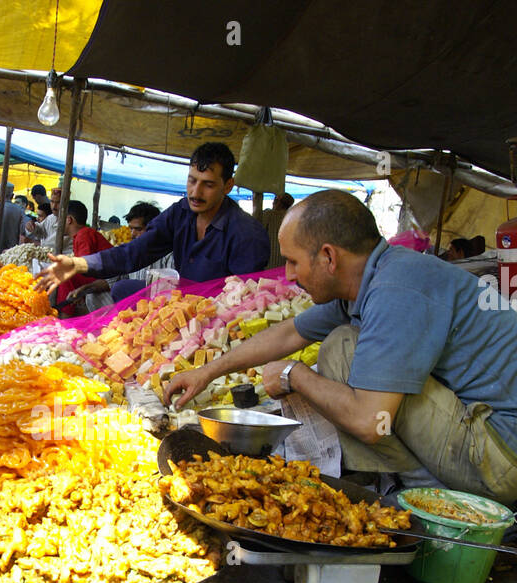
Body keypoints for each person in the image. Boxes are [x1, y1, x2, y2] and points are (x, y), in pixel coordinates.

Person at [167, 190, 517, 502]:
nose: (287, 275)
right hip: (487, 443)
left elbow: (369, 421)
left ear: (329, 258)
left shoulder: (397, 288)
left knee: (343, 347)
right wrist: (206, 372)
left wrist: (295, 374)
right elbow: (290, 334)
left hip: (500, 456)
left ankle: (437, 499)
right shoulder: (373, 278)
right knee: (342, 344)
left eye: (292, 261)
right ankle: (421, 488)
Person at [38, 144, 269, 302]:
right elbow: (135, 252)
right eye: (192, 181)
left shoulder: (247, 234)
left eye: (208, 184)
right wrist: (78, 264)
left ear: (228, 186)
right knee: (123, 288)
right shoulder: (181, 212)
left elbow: (242, 303)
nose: (195, 192)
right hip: (179, 300)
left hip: (215, 314)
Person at [54, 200, 113, 310]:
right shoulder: (82, 234)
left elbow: (84, 267)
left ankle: (66, 316)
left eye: (60, 219)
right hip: (100, 275)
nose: (58, 223)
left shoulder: (84, 235)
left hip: (108, 278)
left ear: (69, 220)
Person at [262, 192, 295, 269]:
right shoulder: (292, 217)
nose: (273, 202)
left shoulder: (269, 215)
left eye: (275, 200)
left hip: (269, 261)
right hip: (284, 261)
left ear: (279, 203)